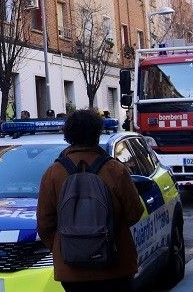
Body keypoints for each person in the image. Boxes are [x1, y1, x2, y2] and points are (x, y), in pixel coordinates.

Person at [37, 109, 144, 291]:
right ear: (97, 133)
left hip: (71, 269)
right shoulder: (115, 170)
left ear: (68, 135)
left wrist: (66, 246)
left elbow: (45, 224)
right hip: (115, 266)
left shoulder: (53, 173)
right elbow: (135, 213)